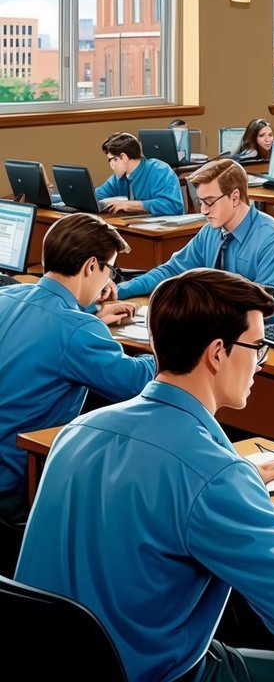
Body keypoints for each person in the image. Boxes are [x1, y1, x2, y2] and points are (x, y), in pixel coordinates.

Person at [16, 268, 274, 681]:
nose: (261, 363)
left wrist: (237, 475)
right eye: (258, 347)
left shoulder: (79, 432)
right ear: (217, 353)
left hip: (59, 662)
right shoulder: (215, 476)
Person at [0, 214, 155, 522]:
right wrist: (173, 346)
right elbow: (138, 383)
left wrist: (90, 315)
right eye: (110, 270)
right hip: (12, 486)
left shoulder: (7, 295)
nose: (109, 282)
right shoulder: (77, 331)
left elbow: (45, 325)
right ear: (90, 267)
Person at [111, 160, 274, 322]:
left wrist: (208, 309)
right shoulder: (211, 231)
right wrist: (119, 291)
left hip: (252, 337)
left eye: (209, 202)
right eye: (200, 202)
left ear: (235, 197)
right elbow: (172, 270)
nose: (203, 210)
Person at [96, 132, 186, 216]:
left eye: (110, 160)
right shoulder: (118, 178)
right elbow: (96, 197)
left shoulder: (159, 170)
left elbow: (173, 206)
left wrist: (132, 205)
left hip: (164, 229)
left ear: (123, 157)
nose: (110, 165)